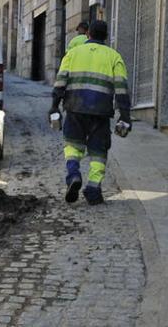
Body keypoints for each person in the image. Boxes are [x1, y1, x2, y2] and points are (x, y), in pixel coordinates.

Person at [50, 20, 131, 205]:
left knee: (72, 146)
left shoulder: (72, 54)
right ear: (106, 36)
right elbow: (121, 89)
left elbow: (60, 82)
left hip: (74, 108)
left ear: (88, 35)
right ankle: (93, 189)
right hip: (101, 112)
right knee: (99, 151)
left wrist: (54, 106)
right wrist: (125, 116)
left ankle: (73, 175)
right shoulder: (114, 56)